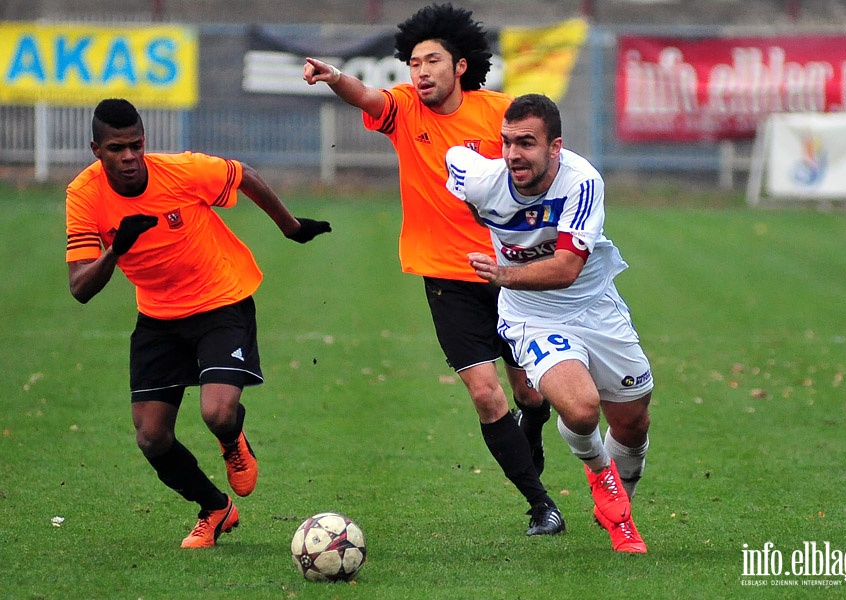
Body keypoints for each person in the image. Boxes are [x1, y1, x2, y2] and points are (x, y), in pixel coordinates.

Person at [302, 3, 563, 536]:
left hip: (509, 272)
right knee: (486, 393)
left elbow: (543, 171)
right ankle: (541, 506)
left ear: (460, 65)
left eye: (431, 61)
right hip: (446, 276)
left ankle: (532, 422)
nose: (419, 72)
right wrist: (334, 78)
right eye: (413, 63)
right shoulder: (403, 110)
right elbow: (368, 95)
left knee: (531, 395)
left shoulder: (501, 115)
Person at [65, 98, 332, 548]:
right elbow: (80, 287)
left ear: (145, 142)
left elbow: (242, 174)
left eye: (135, 146)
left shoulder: (182, 171)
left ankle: (232, 440)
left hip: (220, 300)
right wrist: (116, 250)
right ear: (96, 149)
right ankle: (215, 508)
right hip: (158, 317)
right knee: (151, 437)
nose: (129, 157)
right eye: (116, 149)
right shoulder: (84, 195)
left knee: (217, 412)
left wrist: (289, 226)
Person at [445, 93, 653, 553]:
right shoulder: (482, 179)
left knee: (633, 421)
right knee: (580, 410)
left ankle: (619, 499)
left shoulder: (582, 182)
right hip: (531, 315)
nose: (514, 154)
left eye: (527, 143)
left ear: (555, 147)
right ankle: (605, 484)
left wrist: (502, 273)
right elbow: (454, 156)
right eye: (506, 142)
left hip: (596, 304)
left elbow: (565, 269)